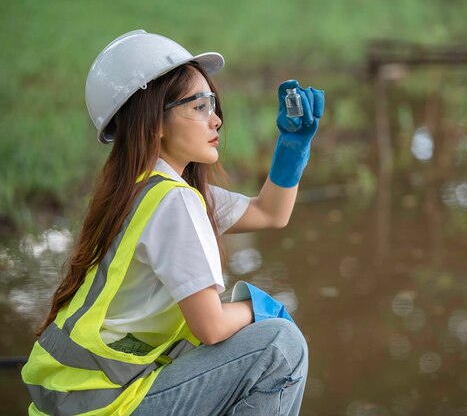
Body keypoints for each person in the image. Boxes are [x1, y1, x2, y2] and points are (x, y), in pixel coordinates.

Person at [20, 29, 324, 416]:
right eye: (199, 106)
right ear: (154, 122)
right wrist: (261, 307)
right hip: (106, 406)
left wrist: (292, 147)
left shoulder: (141, 189)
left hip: (80, 398)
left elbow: (269, 212)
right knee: (280, 345)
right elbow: (211, 326)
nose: (216, 120)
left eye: (212, 103)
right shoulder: (173, 201)